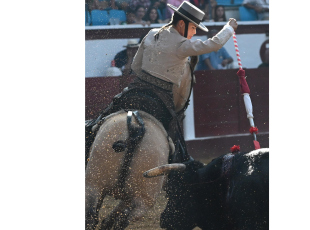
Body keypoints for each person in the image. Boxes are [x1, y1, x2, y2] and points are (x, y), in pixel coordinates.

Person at [85, 1, 238, 164]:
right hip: (162, 98)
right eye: (193, 28)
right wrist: (229, 28)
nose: (194, 33)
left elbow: (136, 66)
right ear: (181, 24)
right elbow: (214, 44)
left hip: (135, 89)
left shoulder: (151, 33)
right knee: (172, 142)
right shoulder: (183, 44)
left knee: (101, 121)